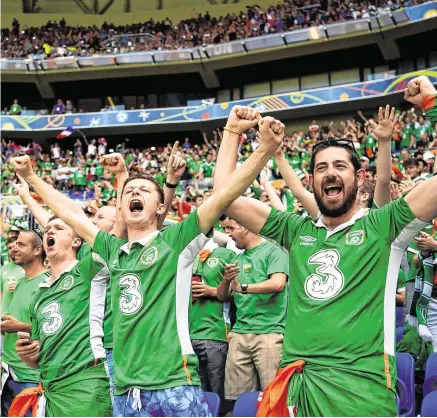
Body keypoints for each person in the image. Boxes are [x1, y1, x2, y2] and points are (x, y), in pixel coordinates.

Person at [10, 107, 285, 417]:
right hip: (127, 391)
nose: (134, 193)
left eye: (143, 190)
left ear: (158, 208)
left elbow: (223, 196)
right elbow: (70, 213)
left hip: (174, 384)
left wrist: (258, 147)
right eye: (128, 191)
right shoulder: (112, 250)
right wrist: (30, 176)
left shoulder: (177, 241)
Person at [211, 77, 437, 416]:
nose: (330, 173)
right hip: (298, 391)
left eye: (340, 166)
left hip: (362, 393)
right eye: (321, 168)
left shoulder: (384, 226)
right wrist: (232, 134)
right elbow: (223, 198)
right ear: (312, 182)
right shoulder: (294, 229)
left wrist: (432, 104)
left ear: (360, 178)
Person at [13, 216, 112, 417]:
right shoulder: (39, 295)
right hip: (50, 392)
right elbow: (38, 358)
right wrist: (27, 355)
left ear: (77, 241)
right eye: (47, 229)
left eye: (58, 228)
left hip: (85, 387)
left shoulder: (86, 271)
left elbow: (113, 238)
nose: (49, 232)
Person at [216, 218, 288, 407]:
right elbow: (222, 296)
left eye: (231, 228)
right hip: (239, 334)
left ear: (247, 226)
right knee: (239, 402)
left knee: (273, 399)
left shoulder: (274, 252)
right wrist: (226, 280)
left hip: (268, 334)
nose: (228, 234)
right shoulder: (236, 258)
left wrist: (243, 287)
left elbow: (278, 283)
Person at [1, 230, 50, 417]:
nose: (15, 247)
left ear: (38, 250)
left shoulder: (48, 284)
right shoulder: (20, 282)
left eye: (21, 244)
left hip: (31, 377)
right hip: (9, 371)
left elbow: (53, 329)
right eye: (15, 244)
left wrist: (18, 327)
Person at [189, 239, 235, 415]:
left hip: (215, 332)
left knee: (219, 392)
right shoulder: (188, 258)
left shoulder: (226, 254)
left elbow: (237, 292)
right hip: (190, 334)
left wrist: (212, 291)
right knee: (198, 393)